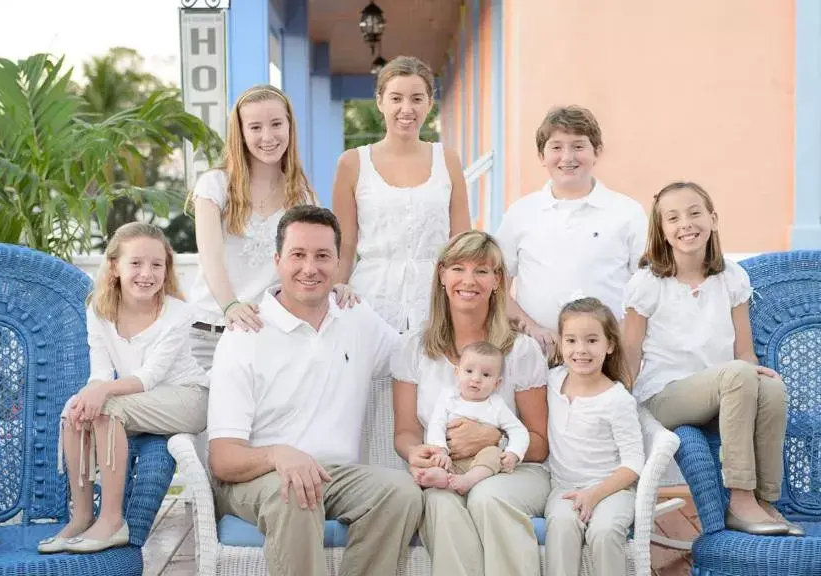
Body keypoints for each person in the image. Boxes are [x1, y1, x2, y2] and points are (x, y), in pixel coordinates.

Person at [206, 205, 423, 576]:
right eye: (298, 255)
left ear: (339, 263)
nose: (310, 268)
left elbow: (419, 356)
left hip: (333, 475)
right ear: (277, 260)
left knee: (399, 492)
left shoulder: (356, 317)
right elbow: (223, 460)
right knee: (295, 493)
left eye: (323, 256)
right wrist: (278, 455)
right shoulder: (244, 333)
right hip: (256, 479)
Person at [622, 181, 799, 536]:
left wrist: (758, 378)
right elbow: (629, 359)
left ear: (713, 219)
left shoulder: (732, 278)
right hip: (664, 396)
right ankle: (740, 498)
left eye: (694, 213)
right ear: (662, 231)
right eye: (672, 218)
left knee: (774, 390)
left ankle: (766, 501)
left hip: (723, 391)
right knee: (736, 375)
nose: (685, 223)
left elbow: (744, 354)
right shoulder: (647, 284)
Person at [38, 223, 209, 554]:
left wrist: (101, 393)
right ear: (114, 266)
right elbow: (100, 372)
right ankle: (83, 516)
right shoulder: (99, 311)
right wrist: (88, 395)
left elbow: (149, 376)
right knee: (74, 410)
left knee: (106, 406)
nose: (147, 273)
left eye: (157, 265)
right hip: (141, 400)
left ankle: (112, 520)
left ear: (166, 269)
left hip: (188, 399)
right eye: (136, 263)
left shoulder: (178, 313)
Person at [392, 230, 551, 576]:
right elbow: (405, 431)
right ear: (442, 276)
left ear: (497, 282)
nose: (469, 280)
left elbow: (539, 445)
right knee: (440, 504)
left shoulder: (521, 351)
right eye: (458, 268)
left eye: (482, 270)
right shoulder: (413, 349)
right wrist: (416, 453)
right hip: (446, 471)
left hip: (514, 472)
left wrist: (493, 439)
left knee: (487, 497)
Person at [187, 85, 356, 371]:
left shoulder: (302, 194)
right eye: (255, 127)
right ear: (240, 133)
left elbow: (312, 259)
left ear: (290, 126)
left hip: (270, 334)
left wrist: (337, 285)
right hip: (211, 331)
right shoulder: (215, 186)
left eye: (276, 124)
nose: (268, 136)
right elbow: (211, 258)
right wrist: (231, 306)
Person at [333, 55, 471, 333]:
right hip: (371, 301)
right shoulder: (352, 163)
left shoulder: (448, 160)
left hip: (436, 302)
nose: (406, 109)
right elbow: (344, 246)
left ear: (430, 104)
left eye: (417, 99)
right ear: (380, 101)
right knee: (374, 376)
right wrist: (335, 292)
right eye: (396, 98)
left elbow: (461, 243)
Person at [496, 105, 647, 355]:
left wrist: (615, 340)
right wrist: (533, 329)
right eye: (556, 147)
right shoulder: (520, 213)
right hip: (537, 352)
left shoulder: (627, 212)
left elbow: (646, 290)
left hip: (606, 356)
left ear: (597, 151)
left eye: (578, 146)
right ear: (541, 156)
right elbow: (497, 288)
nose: (567, 157)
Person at [545, 298, 644, 576]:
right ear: (561, 344)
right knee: (562, 526)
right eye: (571, 341)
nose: (580, 350)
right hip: (564, 488)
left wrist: (594, 494)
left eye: (591, 340)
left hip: (611, 490)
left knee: (604, 531)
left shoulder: (617, 399)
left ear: (609, 345)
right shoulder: (553, 381)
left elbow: (633, 464)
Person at [421, 341, 530, 495]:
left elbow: (519, 430)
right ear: (457, 372)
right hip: (453, 457)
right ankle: (442, 477)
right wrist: (441, 451)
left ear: (497, 383)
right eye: (469, 371)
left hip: (482, 463)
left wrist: (514, 453)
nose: (476, 378)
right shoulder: (448, 398)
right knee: (436, 460)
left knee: (494, 453)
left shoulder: (496, 405)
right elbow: (436, 424)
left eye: (486, 375)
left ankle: (468, 480)